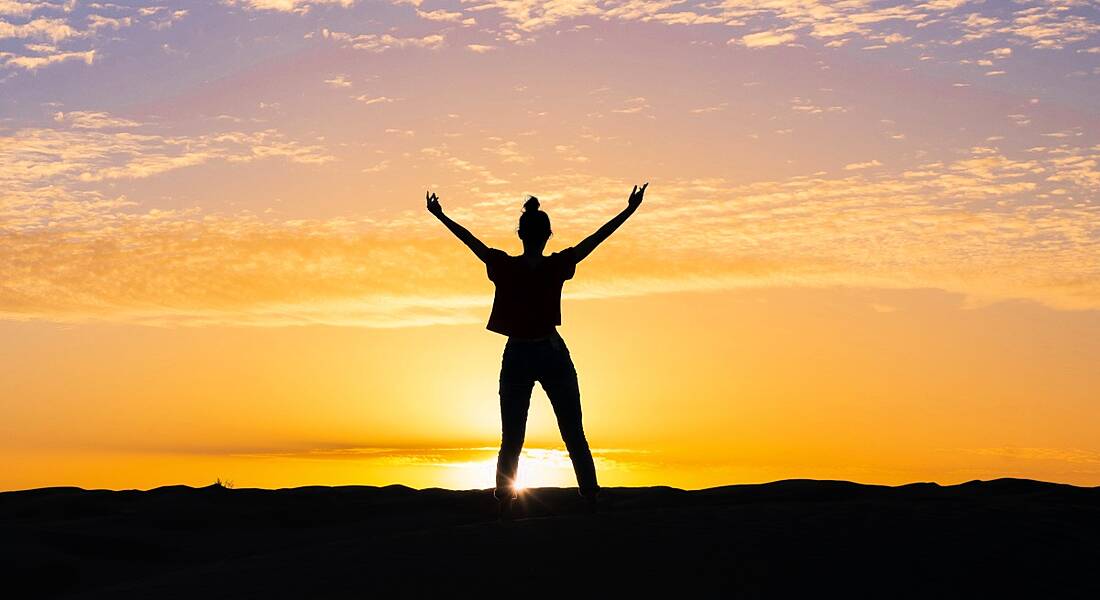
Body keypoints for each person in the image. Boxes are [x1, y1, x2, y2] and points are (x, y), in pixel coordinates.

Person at [426, 183, 648, 513]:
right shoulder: (553, 265)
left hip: (519, 354)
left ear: (521, 234)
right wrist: (629, 211)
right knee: (573, 432)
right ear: (547, 235)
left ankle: (506, 503)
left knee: (513, 437)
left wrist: (441, 215)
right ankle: (590, 497)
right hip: (550, 353)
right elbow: (594, 241)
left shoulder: (505, 266)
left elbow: (471, 242)